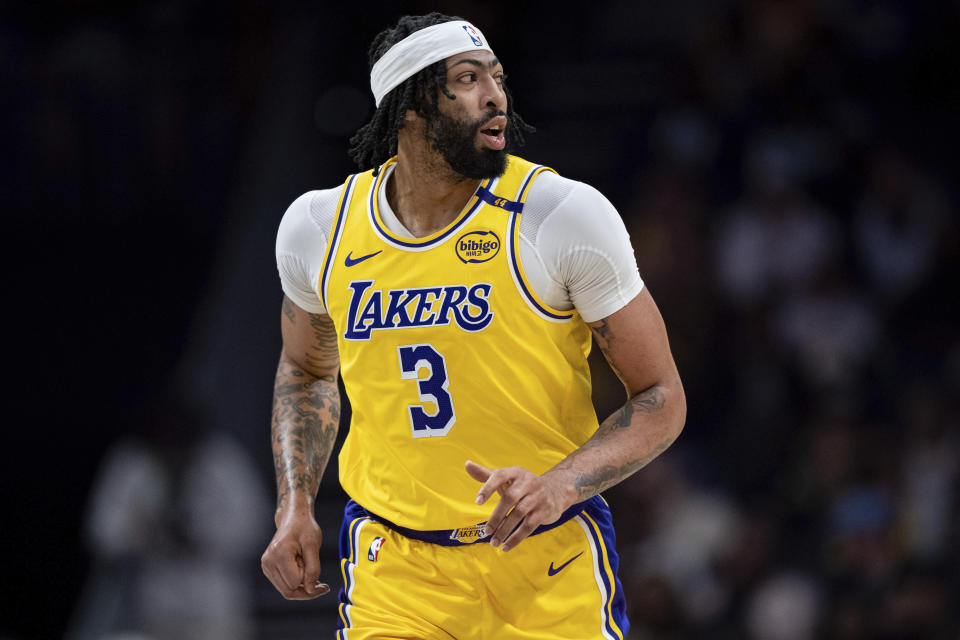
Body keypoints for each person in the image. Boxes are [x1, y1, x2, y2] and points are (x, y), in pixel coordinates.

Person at [262, 13, 686, 639]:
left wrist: (561, 484)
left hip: (544, 554)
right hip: (396, 569)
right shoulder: (319, 229)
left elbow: (662, 398)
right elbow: (305, 369)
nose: (496, 97)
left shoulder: (559, 215)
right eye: (467, 79)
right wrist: (296, 502)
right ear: (409, 108)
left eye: (497, 77)